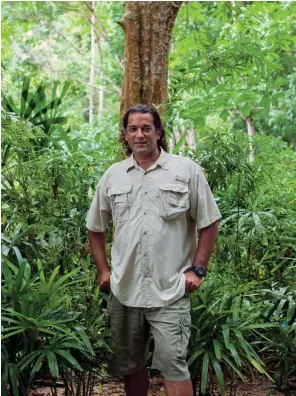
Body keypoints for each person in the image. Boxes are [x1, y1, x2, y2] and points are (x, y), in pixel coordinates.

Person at [86, 104, 221, 396]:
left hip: (170, 288)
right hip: (125, 289)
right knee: (131, 365)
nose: (140, 134)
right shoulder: (113, 176)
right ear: (124, 135)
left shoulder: (185, 171)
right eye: (133, 128)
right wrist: (104, 270)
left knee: (173, 363)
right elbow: (95, 227)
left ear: (158, 132)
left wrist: (198, 268)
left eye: (146, 128)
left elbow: (209, 222)